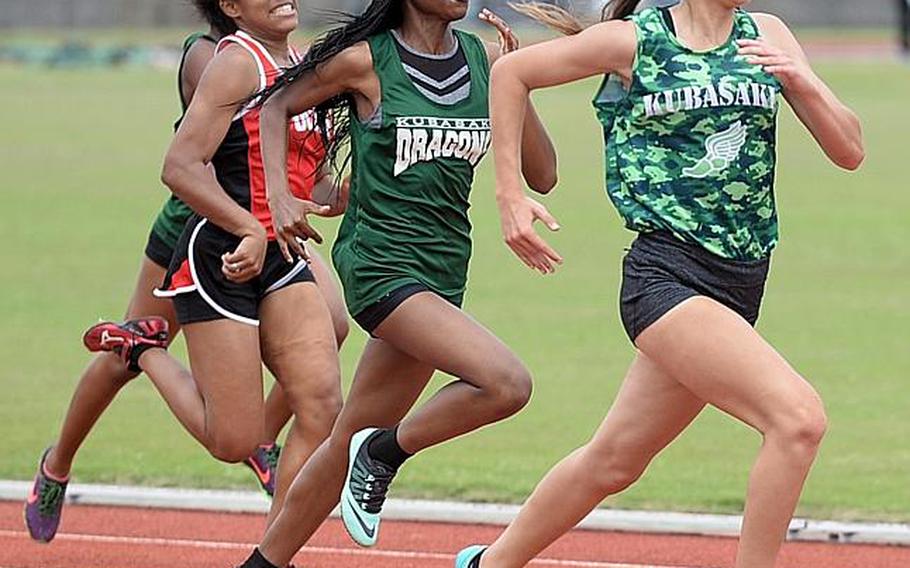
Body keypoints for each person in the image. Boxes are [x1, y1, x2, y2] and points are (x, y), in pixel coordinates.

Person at [454, 1, 864, 567]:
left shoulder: (766, 33)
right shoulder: (633, 41)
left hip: (740, 282)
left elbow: (850, 150)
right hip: (667, 277)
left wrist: (800, 81)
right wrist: (508, 195)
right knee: (798, 420)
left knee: (614, 460)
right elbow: (511, 73)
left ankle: (488, 564)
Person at [231, 2, 558, 566]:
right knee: (507, 384)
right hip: (379, 265)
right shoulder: (366, 60)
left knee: (342, 444)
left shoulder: (482, 60)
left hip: (442, 274)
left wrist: (515, 80)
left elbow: (544, 174)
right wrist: (279, 197)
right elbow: (277, 104)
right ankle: (384, 452)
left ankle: (262, 563)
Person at [20, 2, 321, 544]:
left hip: (260, 224)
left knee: (332, 331)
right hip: (198, 224)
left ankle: (258, 438)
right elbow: (192, 163)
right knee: (122, 364)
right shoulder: (210, 56)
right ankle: (57, 464)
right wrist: (250, 222)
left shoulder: (291, 56)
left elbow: (289, 157)